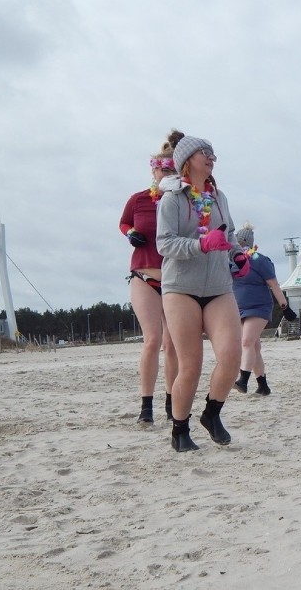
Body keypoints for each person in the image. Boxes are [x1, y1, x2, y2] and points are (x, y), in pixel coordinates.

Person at [156, 133, 250, 452]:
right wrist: (201, 244)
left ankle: (211, 413)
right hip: (180, 289)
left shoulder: (219, 197)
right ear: (186, 160)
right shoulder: (172, 199)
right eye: (204, 152)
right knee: (191, 365)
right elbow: (164, 243)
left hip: (218, 287)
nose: (211, 157)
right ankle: (179, 429)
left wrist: (237, 255)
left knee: (232, 355)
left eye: (213, 153)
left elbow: (231, 234)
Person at [119, 133, 180, 424]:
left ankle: (171, 402)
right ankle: (146, 406)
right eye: (162, 168)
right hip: (144, 274)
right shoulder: (139, 199)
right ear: (153, 170)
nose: (165, 173)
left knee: (174, 343)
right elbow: (124, 222)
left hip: (175, 279)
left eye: (171, 169)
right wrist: (130, 233)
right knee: (152, 340)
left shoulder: (182, 201)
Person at [232, 221, 297, 396]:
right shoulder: (231, 260)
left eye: (240, 242)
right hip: (238, 308)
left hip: (259, 307)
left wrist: (284, 307)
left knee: (246, 342)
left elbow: (274, 285)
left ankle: (243, 380)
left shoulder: (259, 260)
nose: (239, 245)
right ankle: (263, 386)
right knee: (253, 347)